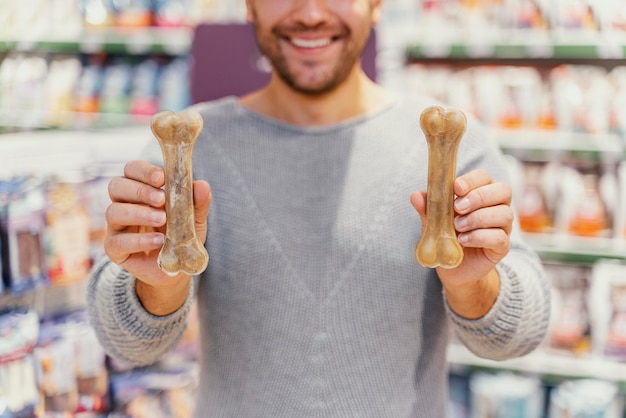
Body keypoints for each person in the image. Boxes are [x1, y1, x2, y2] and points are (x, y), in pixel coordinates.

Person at [87, 0, 551, 416]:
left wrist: (474, 284)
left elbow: (519, 335)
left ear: (377, 5)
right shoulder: (190, 145)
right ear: (249, 5)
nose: (310, 12)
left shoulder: (451, 145)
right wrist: (156, 289)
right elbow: (127, 343)